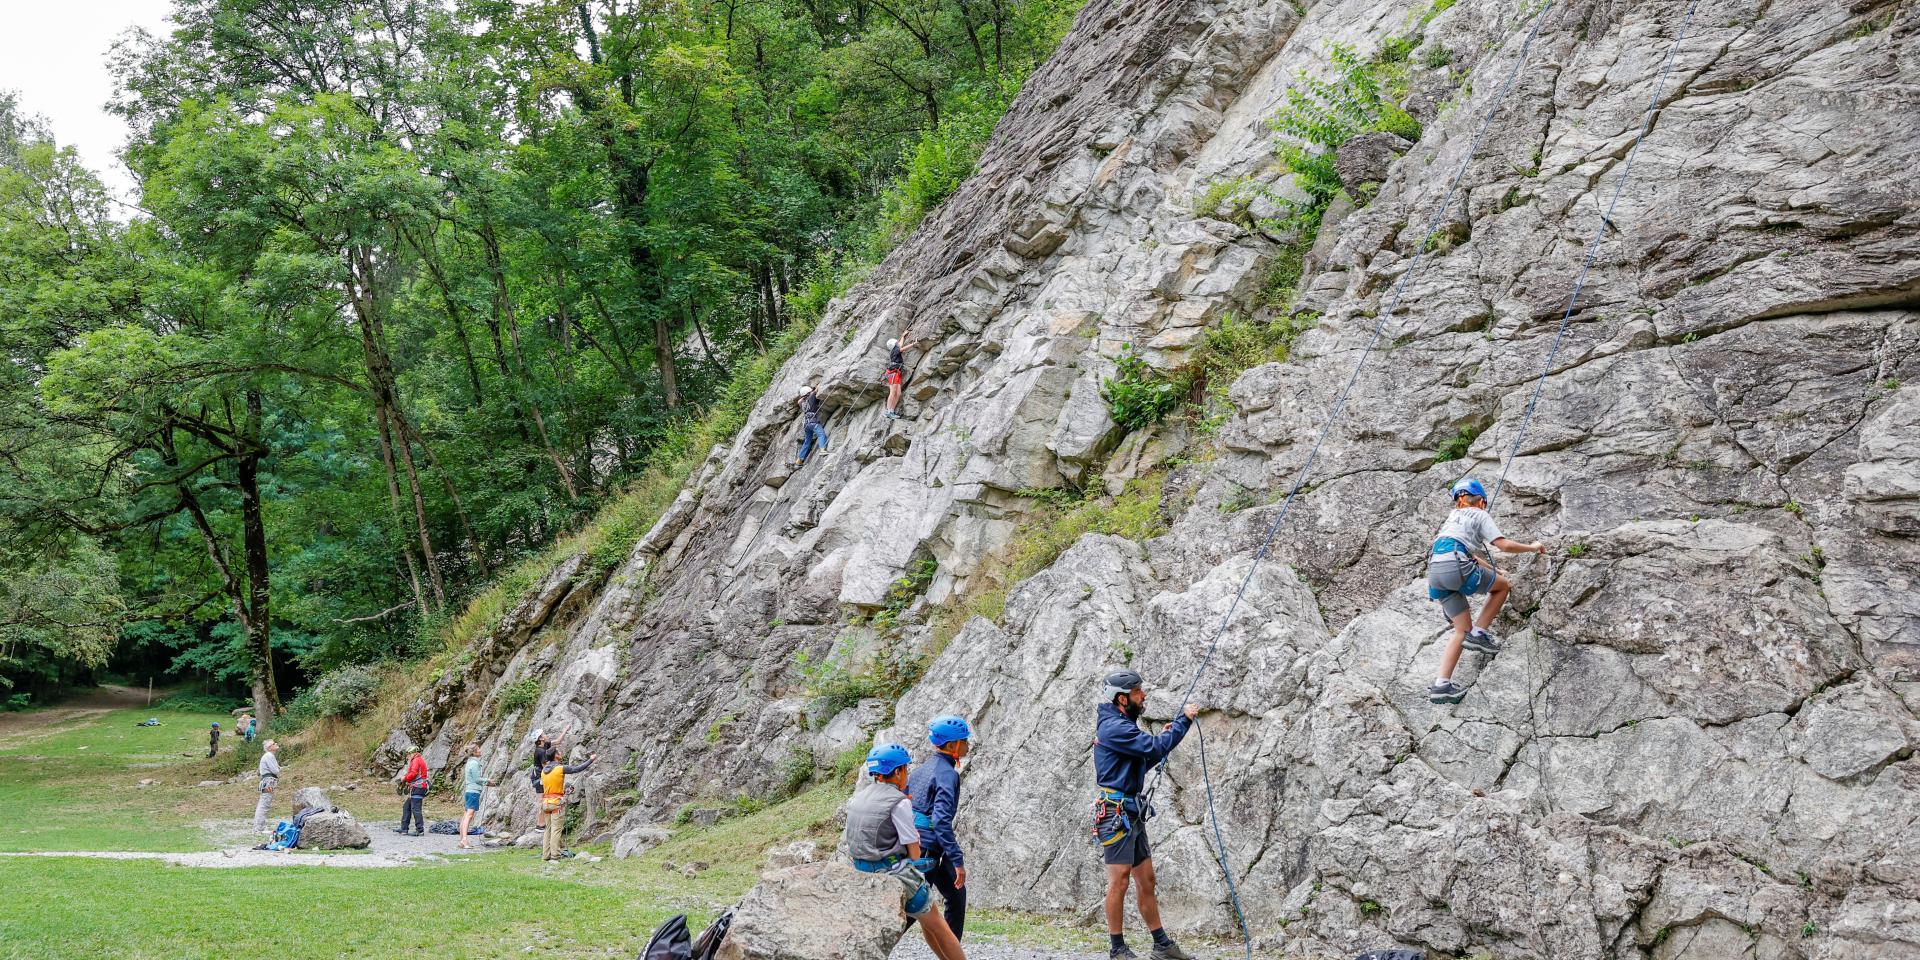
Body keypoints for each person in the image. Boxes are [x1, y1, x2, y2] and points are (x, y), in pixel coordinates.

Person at [1093, 670, 1198, 960]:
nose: (1144, 696)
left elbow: (1146, 756)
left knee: (1146, 879)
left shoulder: (1122, 724)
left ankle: (1161, 945)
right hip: (1115, 813)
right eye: (1139, 692)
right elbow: (1153, 748)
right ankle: (1117, 949)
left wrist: (1169, 735)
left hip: (1130, 812)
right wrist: (1183, 721)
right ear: (1123, 698)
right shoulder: (1114, 727)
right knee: (1120, 880)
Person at [1425, 477, 1547, 705]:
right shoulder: (1480, 514)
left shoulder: (1452, 519)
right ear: (1481, 500)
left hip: (1435, 573)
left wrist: (1493, 569)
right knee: (1502, 587)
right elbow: (1503, 545)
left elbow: (1465, 553)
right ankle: (1479, 633)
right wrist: (1532, 547)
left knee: (1460, 631)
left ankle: (1442, 685)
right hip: (1456, 566)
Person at [845, 743, 966, 960]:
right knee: (937, 924)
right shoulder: (898, 802)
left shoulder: (859, 798)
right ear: (898, 771)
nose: (907, 774)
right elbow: (914, 850)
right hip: (893, 873)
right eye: (905, 769)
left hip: (862, 872)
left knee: (923, 920)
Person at [907, 715, 972, 939]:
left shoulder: (922, 769)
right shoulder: (947, 775)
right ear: (953, 745)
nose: (967, 744)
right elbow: (941, 821)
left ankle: (952, 952)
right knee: (909, 910)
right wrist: (958, 860)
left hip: (919, 844)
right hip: (927, 849)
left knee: (956, 895)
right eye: (964, 740)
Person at [539, 749, 597, 861]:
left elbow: (551, 788)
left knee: (548, 830)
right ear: (556, 755)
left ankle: (545, 855)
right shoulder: (560, 768)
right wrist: (591, 760)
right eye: (559, 753)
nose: (561, 755)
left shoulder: (543, 771)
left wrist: (565, 791)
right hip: (556, 803)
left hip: (545, 803)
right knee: (556, 830)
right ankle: (555, 855)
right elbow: (577, 769)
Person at [459, 742, 492, 849]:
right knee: (469, 815)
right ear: (474, 752)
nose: (480, 750)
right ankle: (464, 840)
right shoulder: (474, 763)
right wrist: (488, 780)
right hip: (473, 791)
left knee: (465, 814)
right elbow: (477, 779)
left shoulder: (469, 762)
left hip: (469, 790)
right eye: (478, 749)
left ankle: (462, 840)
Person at [790, 385, 829, 468]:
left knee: (807, 441)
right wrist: (815, 388)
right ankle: (822, 449)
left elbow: (800, 400)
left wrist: (808, 393)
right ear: (808, 393)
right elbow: (817, 388)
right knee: (821, 434)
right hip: (813, 422)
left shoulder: (801, 402)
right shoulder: (811, 397)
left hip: (806, 424)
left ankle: (799, 461)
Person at [883, 327, 916, 420]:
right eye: (896, 343)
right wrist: (913, 344)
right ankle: (888, 412)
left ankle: (891, 411)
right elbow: (902, 348)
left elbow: (900, 346)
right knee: (893, 392)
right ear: (894, 345)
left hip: (896, 373)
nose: (898, 344)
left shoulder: (895, 349)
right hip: (893, 373)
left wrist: (903, 336)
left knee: (898, 393)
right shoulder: (894, 351)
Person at [528, 730, 558, 831]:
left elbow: (557, 741)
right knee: (542, 801)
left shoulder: (544, 746)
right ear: (541, 738)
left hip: (539, 778)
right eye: (544, 734)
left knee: (543, 801)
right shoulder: (540, 751)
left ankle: (540, 824)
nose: (546, 735)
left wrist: (565, 730)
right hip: (539, 779)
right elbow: (546, 767)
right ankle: (540, 825)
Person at [395, 749, 429, 836]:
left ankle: (420, 830)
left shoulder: (416, 760)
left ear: (412, 753)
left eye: (407, 754)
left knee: (416, 809)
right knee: (406, 807)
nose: (407, 757)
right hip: (416, 787)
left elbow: (413, 773)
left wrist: (404, 778)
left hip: (418, 787)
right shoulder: (418, 759)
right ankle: (404, 829)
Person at [253, 740, 281, 834]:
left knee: (264, 803)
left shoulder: (268, 756)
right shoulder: (269, 755)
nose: (276, 744)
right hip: (269, 782)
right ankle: (259, 828)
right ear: (269, 747)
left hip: (268, 781)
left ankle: (259, 826)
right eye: (274, 743)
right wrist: (278, 768)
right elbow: (275, 770)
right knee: (265, 803)